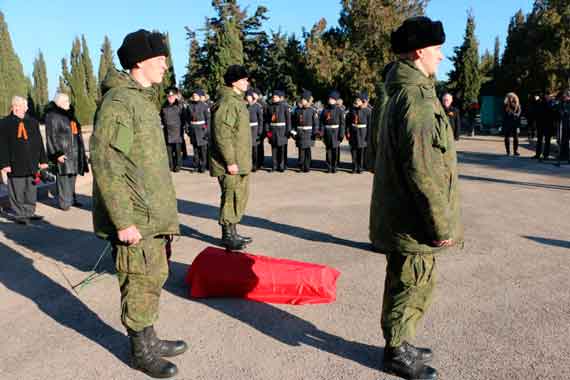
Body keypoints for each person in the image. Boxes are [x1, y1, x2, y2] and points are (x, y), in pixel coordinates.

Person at [90, 29, 187, 379]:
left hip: (153, 214)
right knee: (138, 281)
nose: (165, 64)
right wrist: (122, 220)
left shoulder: (142, 100)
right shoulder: (119, 103)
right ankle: (140, 351)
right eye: (160, 59)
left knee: (153, 276)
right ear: (138, 62)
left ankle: (150, 337)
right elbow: (107, 164)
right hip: (135, 217)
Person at [369, 17, 463, 380]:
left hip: (404, 212)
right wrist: (440, 223)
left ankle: (402, 341)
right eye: (437, 50)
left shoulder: (399, 92)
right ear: (420, 52)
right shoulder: (415, 98)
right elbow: (423, 170)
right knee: (411, 282)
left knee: (407, 280)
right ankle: (396, 351)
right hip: (412, 217)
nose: (441, 57)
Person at [209, 64, 253, 251]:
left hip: (239, 161)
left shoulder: (237, 101)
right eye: (244, 79)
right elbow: (222, 135)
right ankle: (228, 235)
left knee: (238, 196)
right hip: (230, 163)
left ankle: (233, 232)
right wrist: (230, 161)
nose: (247, 82)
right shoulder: (228, 102)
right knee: (230, 196)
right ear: (235, 82)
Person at [0, 96, 48, 224]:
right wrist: (4, 163)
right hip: (14, 163)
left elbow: (39, 142)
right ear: (16, 107)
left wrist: (43, 160)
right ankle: (20, 214)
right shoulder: (5, 123)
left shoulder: (32, 122)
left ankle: (29, 212)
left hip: (31, 163)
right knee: (17, 189)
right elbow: (2, 145)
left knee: (30, 189)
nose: (26, 108)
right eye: (24, 106)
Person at [45, 93, 89, 210]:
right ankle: (64, 202)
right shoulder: (53, 116)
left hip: (74, 153)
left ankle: (72, 199)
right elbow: (51, 136)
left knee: (72, 177)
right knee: (64, 178)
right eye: (66, 101)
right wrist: (57, 154)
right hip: (63, 152)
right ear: (59, 103)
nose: (68, 103)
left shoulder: (70, 115)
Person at [292, 89, 319, 172]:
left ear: (307, 101)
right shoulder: (297, 110)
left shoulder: (312, 110)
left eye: (303, 100)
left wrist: (315, 132)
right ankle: (301, 166)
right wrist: (293, 132)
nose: (302, 101)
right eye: (301, 99)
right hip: (299, 132)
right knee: (301, 150)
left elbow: (316, 123)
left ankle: (307, 166)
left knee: (307, 150)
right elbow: (294, 122)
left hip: (309, 133)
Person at [160, 87, 186, 172]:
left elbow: (183, 118)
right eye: (168, 96)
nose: (170, 98)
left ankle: (178, 166)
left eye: (172, 96)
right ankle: (170, 166)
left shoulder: (180, 106)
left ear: (175, 96)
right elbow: (161, 118)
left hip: (177, 131)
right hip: (167, 131)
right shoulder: (164, 106)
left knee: (178, 151)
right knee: (169, 151)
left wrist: (183, 129)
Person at [265, 89, 291, 172]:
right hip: (273, 131)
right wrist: (267, 131)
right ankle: (274, 166)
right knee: (274, 149)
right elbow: (267, 120)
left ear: (280, 98)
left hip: (282, 131)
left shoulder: (285, 106)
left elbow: (288, 120)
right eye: (273, 97)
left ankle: (282, 165)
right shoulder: (270, 107)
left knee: (282, 149)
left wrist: (288, 131)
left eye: (275, 97)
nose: (274, 98)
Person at [320, 90, 345, 173]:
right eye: (329, 98)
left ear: (335, 100)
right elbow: (322, 122)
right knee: (328, 151)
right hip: (327, 132)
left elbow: (342, 123)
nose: (330, 100)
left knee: (335, 150)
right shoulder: (325, 110)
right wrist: (322, 133)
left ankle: (335, 166)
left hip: (336, 132)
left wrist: (341, 134)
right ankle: (329, 166)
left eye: (332, 99)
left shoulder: (339, 110)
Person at [346, 92, 371, 173]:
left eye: (358, 100)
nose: (356, 101)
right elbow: (348, 122)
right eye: (356, 100)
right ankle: (354, 167)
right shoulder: (351, 110)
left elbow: (369, 125)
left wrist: (368, 136)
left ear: (362, 101)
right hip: (353, 132)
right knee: (353, 151)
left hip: (363, 133)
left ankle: (360, 168)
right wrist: (347, 132)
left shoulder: (367, 111)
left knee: (361, 151)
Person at [187, 88, 211, 173]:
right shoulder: (189, 106)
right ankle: (196, 166)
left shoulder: (204, 106)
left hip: (202, 130)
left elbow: (208, 119)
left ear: (200, 96)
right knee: (195, 150)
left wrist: (207, 130)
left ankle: (203, 166)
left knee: (203, 150)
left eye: (196, 95)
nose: (194, 96)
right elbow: (187, 119)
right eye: (193, 95)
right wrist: (187, 129)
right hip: (193, 130)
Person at [246, 88, 264, 172]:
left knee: (254, 148)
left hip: (255, 129)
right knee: (248, 149)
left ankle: (255, 165)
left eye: (249, 96)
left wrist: (260, 130)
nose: (247, 98)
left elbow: (260, 119)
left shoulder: (257, 106)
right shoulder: (245, 106)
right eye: (247, 96)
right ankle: (249, 164)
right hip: (247, 129)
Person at [558, 89, 570, 163]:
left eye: (565, 96)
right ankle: (564, 156)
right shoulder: (563, 102)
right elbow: (559, 109)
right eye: (564, 96)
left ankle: (568, 157)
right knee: (564, 141)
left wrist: (566, 112)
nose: (564, 97)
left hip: (568, 124)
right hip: (565, 124)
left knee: (567, 141)